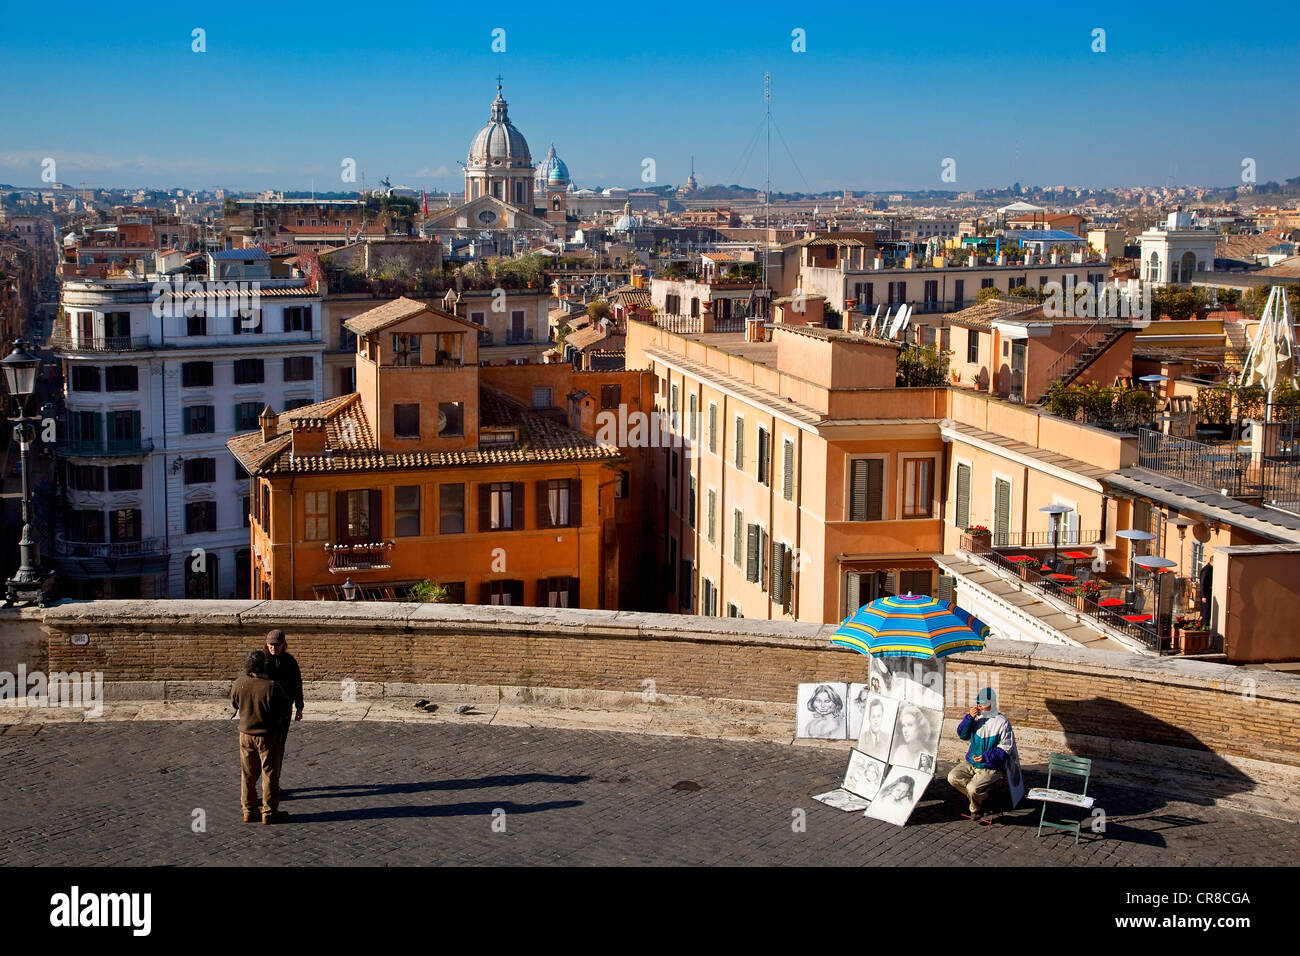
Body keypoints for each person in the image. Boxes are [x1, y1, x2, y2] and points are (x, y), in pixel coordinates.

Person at [231, 650, 292, 823]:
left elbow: (234, 703)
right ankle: (269, 812)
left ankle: (248, 810)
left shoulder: (239, 683)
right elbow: (283, 709)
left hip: (245, 734)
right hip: (267, 735)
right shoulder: (271, 686)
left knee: (248, 773)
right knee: (269, 773)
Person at [947, 686, 1016, 821]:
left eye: (984, 704)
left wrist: (985, 757)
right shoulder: (975, 718)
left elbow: (1005, 748)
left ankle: (975, 809)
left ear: (993, 703)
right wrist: (968, 719)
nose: (980, 706)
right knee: (952, 777)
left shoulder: (1002, 722)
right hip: (972, 762)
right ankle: (982, 797)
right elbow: (962, 735)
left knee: (973, 788)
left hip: (991, 765)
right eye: (979, 703)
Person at [263, 629, 303, 805]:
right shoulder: (262, 661)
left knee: (279, 746)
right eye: (271, 645)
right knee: (266, 749)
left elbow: (297, 684)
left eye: (277, 645)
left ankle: (274, 783)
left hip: (284, 710)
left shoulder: (290, 662)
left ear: (283, 645)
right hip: (266, 710)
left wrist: (299, 706)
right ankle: (268, 786)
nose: (274, 648)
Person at [889, 704, 932, 769]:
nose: (905, 730)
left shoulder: (926, 756)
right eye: (903, 725)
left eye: (910, 725)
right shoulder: (900, 751)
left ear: (919, 727)